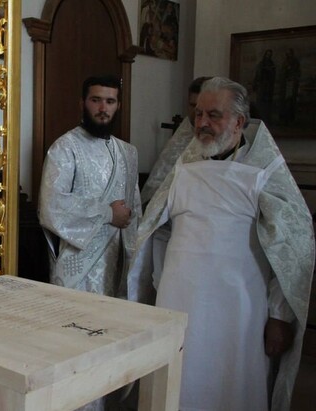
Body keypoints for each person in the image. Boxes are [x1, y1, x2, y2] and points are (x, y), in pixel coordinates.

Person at [129, 77, 314, 411]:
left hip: (238, 305)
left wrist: (279, 316)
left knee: (232, 383)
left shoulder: (264, 172)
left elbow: (290, 248)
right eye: (198, 114)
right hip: (178, 299)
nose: (202, 123)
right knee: (178, 381)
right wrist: (156, 281)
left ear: (239, 122)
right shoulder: (182, 168)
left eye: (214, 115)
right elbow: (156, 230)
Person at [38, 75, 140, 410]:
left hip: (115, 267)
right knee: (75, 355)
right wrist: (104, 213)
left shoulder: (128, 153)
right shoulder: (65, 148)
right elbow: (50, 206)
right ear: (83, 102)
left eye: (110, 101)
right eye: (96, 100)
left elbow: (134, 212)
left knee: (110, 354)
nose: (103, 108)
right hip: (78, 274)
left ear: (118, 106)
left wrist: (135, 262)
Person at [140, 76, 211, 205]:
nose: (196, 112)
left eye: (202, 107)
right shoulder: (182, 136)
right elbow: (156, 184)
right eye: (192, 105)